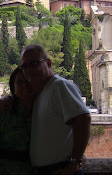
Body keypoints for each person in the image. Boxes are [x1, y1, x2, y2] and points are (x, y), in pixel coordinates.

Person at [19, 43, 91, 175]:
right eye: (24, 66)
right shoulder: (40, 93)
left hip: (63, 170)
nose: (28, 69)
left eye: (34, 63)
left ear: (48, 63)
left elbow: (83, 119)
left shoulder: (59, 86)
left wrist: (76, 161)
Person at [0, 67, 37, 175]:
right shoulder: (2, 113)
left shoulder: (43, 109)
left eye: (28, 81)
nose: (24, 85)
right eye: (19, 82)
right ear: (13, 86)